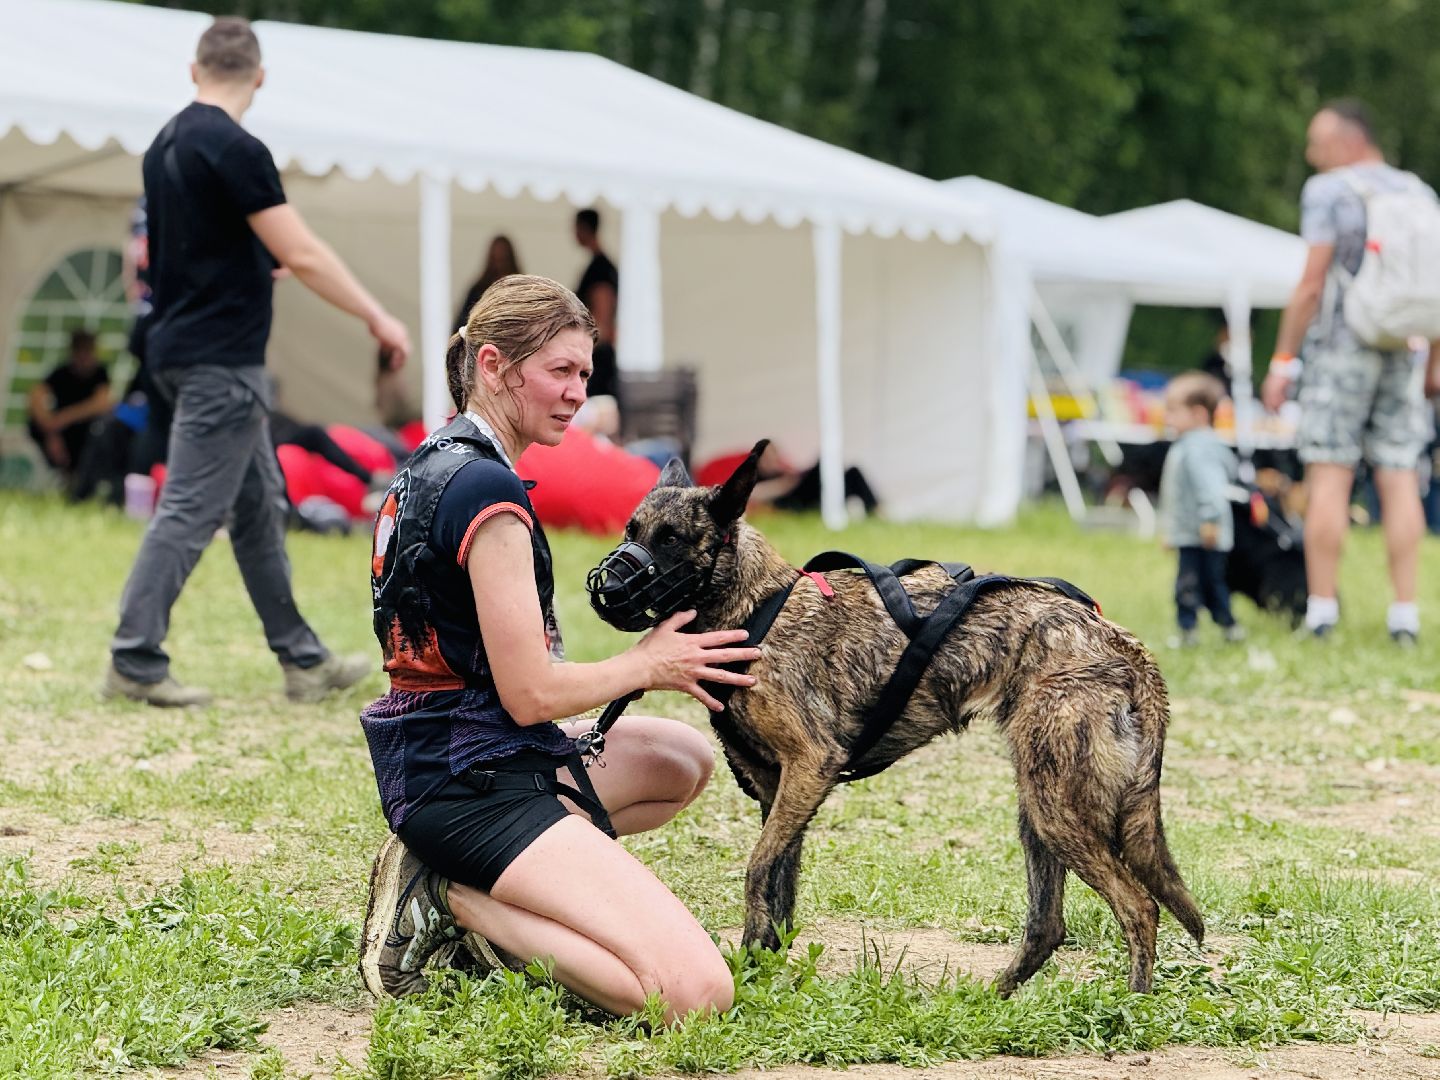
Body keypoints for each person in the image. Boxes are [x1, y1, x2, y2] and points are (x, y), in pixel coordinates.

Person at [358, 274, 756, 1022]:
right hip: (470, 783)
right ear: (492, 365)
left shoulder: (437, 460)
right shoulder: (486, 493)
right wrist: (649, 663)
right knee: (697, 995)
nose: (578, 392)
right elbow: (531, 694)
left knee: (679, 759)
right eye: (560, 371)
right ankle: (450, 896)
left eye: (584, 373)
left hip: (451, 755)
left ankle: (500, 878)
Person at [103, 17, 411, 708]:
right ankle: (134, 658)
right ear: (260, 76)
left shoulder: (164, 144)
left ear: (194, 70)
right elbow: (301, 251)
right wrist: (377, 316)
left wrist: (246, 265)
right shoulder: (236, 147)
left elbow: (190, 251)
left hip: (176, 350)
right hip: (222, 362)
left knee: (258, 507)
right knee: (189, 509)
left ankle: (304, 660)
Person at [1260, 99, 1432, 645]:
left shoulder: (1329, 191)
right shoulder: (1418, 192)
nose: (1312, 155)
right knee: (1399, 477)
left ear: (1347, 141)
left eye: (1318, 144)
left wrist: (1282, 361)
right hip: (1404, 347)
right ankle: (1404, 616)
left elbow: (1312, 284)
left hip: (1342, 347)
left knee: (1329, 476)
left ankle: (1322, 613)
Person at [1158, 371, 1243, 647]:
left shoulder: (1199, 449)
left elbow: (1211, 489)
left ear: (1198, 414)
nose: (1167, 418)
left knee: (1202, 584)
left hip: (1204, 533)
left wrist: (1210, 520)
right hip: (1190, 533)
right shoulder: (1189, 445)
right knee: (1196, 583)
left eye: (1173, 411)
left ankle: (1219, 626)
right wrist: (1171, 531)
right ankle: (1198, 628)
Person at [27, 329, 112, 480]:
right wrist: (51, 430)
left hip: (86, 431)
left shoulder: (100, 373)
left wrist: (63, 418)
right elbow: (36, 395)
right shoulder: (61, 374)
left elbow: (102, 403)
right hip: (61, 432)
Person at [574, 208, 620, 401]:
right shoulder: (600, 266)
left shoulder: (600, 269)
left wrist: (582, 348)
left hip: (598, 357)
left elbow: (602, 318)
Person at [455, 235, 523, 330]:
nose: (500, 263)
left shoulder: (520, 288)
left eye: (503, 259)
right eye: (497, 259)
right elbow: (463, 322)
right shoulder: (478, 289)